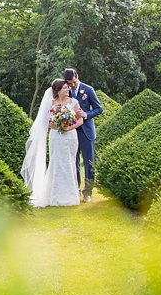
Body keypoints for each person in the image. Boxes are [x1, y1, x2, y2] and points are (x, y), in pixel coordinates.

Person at [20, 79, 86, 207]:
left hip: (71, 137)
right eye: (65, 88)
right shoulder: (51, 104)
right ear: (58, 91)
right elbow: (48, 123)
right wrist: (59, 126)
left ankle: (71, 195)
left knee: (69, 162)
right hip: (56, 137)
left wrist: (68, 127)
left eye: (68, 88)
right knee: (56, 163)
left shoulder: (74, 102)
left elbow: (80, 121)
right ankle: (54, 195)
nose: (68, 90)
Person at [63, 68, 102, 202]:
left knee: (88, 161)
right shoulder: (65, 91)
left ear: (77, 77)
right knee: (73, 161)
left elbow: (99, 109)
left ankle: (88, 191)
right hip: (72, 131)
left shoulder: (88, 90)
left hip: (86, 130)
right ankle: (76, 188)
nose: (72, 85)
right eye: (70, 83)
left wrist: (86, 114)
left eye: (74, 82)